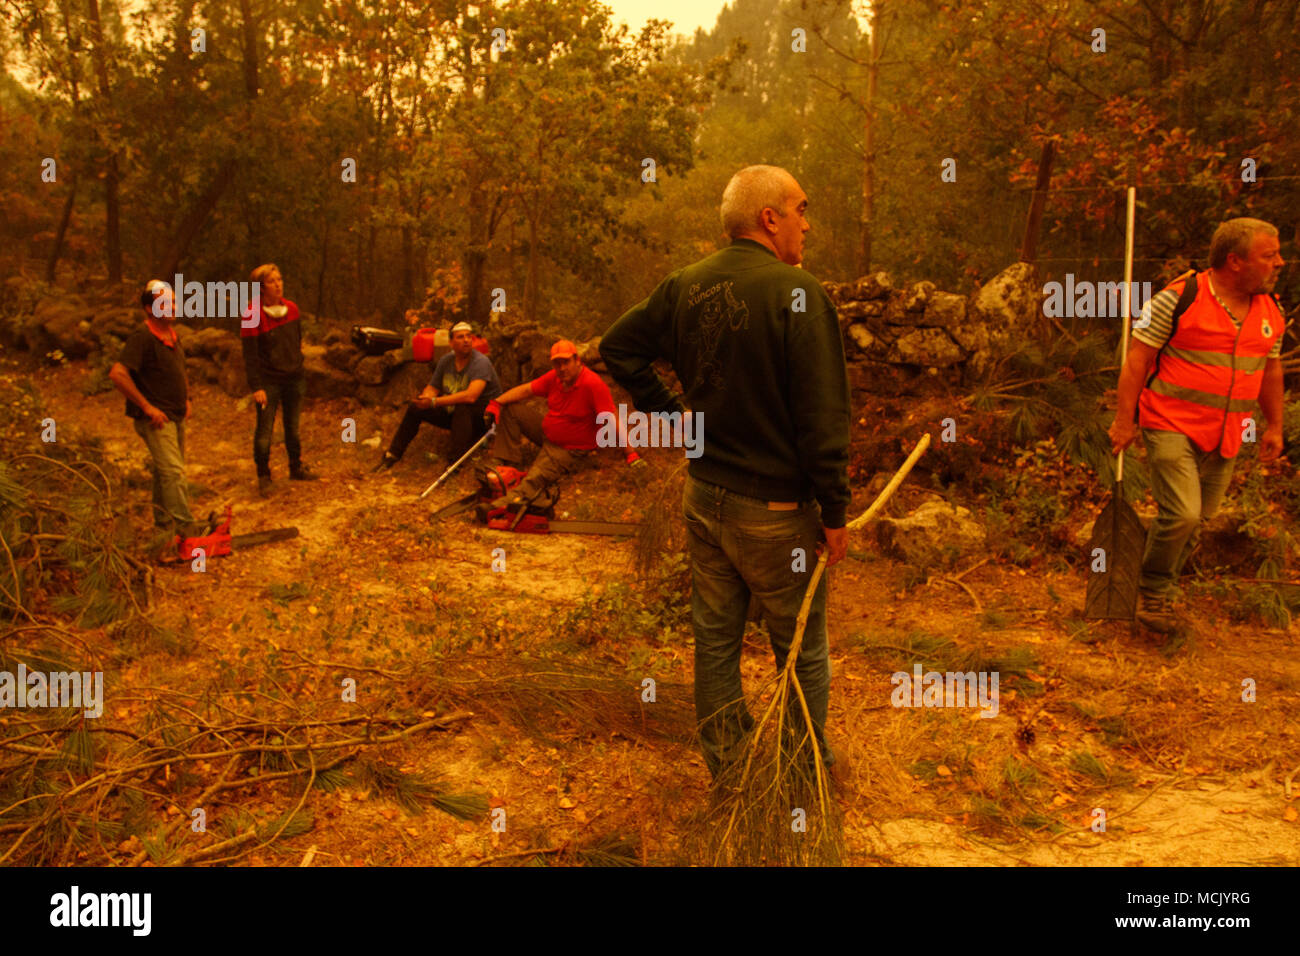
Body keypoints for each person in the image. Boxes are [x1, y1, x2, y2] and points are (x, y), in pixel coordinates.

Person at [599, 164, 851, 783]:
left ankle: (731, 773)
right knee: (800, 648)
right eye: (801, 208)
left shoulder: (686, 284)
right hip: (774, 517)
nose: (806, 223)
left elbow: (618, 347)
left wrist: (678, 423)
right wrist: (836, 513)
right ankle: (803, 775)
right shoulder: (799, 294)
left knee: (716, 641)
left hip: (704, 496)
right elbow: (823, 422)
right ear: (770, 218)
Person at [1109, 217, 1286, 633]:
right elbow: (1137, 360)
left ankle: (1149, 584)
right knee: (1184, 515)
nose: (1279, 262)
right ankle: (1153, 596)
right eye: (1269, 255)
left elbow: (1271, 370)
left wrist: (1275, 425)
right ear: (1235, 261)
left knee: (1197, 520)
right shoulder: (1180, 297)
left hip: (1226, 434)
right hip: (1169, 422)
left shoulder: (1270, 310)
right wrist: (1124, 420)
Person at [483, 339, 639, 507]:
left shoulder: (592, 384)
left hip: (570, 449)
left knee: (537, 476)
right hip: (548, 435)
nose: (562, 368)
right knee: (511, 410)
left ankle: (502, 504)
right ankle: (505, 466)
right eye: (557, 364)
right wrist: (496, 402)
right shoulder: (555, 378)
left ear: (577, 360)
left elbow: (611, 418)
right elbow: (527, 390)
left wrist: (630, 452)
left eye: (566, 362)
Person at [109, 281, 205, 540]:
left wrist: (187, 398)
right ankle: (185, 527)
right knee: (173, 473)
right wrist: (147, 406)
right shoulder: (143, 337)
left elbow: (179, 370)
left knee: (167, 472)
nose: (172, 307)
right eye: (165, 303)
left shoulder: (173, 336)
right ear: (150, 309)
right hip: (155, 419)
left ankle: (163, 527)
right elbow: (118, 374)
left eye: (174, 302)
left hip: (175, 414)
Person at [375, 321, 503, 469]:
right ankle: (392, 455)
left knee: (463, 407)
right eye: (460, 337)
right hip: (456, 415)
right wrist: (426, 398)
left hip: (483, 419)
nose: (466, 340)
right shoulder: (446, 361)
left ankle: (454, 465)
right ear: (451, 342)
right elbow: (433, 387)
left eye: (469, 336)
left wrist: (434, 402)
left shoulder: (481, 362)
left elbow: (471, 396)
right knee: (416, 408)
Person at [241, 263, 318, 495]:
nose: (278, 285)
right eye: (272, 281)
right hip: (268, 382)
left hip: (294, 377)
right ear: (261, 288)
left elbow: (296, 341)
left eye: (279, 279)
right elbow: (250, 355)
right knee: (265, 431)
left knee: (292, 428)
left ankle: (296, 467)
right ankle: (263, 475)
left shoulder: (292, 309)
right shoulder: (252, 314)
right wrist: (257, 386)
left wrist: (299, 366)